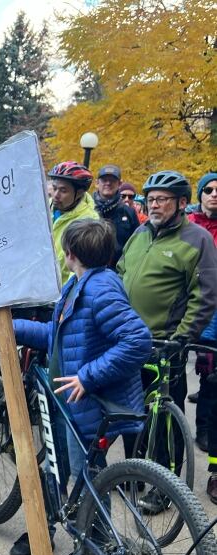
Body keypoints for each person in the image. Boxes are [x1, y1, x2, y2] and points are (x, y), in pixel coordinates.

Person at [2, 218, 151, 555]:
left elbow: (138, 340)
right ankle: (65, 538)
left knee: (88, 477)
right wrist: (14, 329)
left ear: (70, 253)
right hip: (73, 400)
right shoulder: (81, 283)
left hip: (87, 403)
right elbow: (58, 335)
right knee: (76, 474)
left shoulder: (100, 289)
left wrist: (88, 375)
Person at [117, 170, 217, 513]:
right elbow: (120, 273)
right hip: (128, 339)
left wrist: (183, 337)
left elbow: (204, 295)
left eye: (162, 199)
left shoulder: (197, 239)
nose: (154, 204)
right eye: (151, 198)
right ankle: (134, 472)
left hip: (165, 344)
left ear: (181, 204)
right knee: (130, 411)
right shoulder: (140, 233)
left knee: (165, 421)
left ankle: (166, 486)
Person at [186, 173, 217, 500]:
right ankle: (203, 430)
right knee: (208, 383)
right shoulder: (190, 228)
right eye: (207, 190)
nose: (213, 195)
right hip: (202, 321)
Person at [48, 161, 99, 284]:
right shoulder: (45, 206)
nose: (56, 195)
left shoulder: (88, 221)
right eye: (54, 188)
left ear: (79, 193)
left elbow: (81, 268)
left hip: (60, 294)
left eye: (63, 191)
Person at [92, 165, 140, 266]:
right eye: (104, 180)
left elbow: (136, 245)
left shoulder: (129, 212)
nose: (108, 183)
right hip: (89, 269)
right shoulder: (87, 209)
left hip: (118, 271)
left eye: (112, 180)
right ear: (97, 183)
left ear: (119, 184)